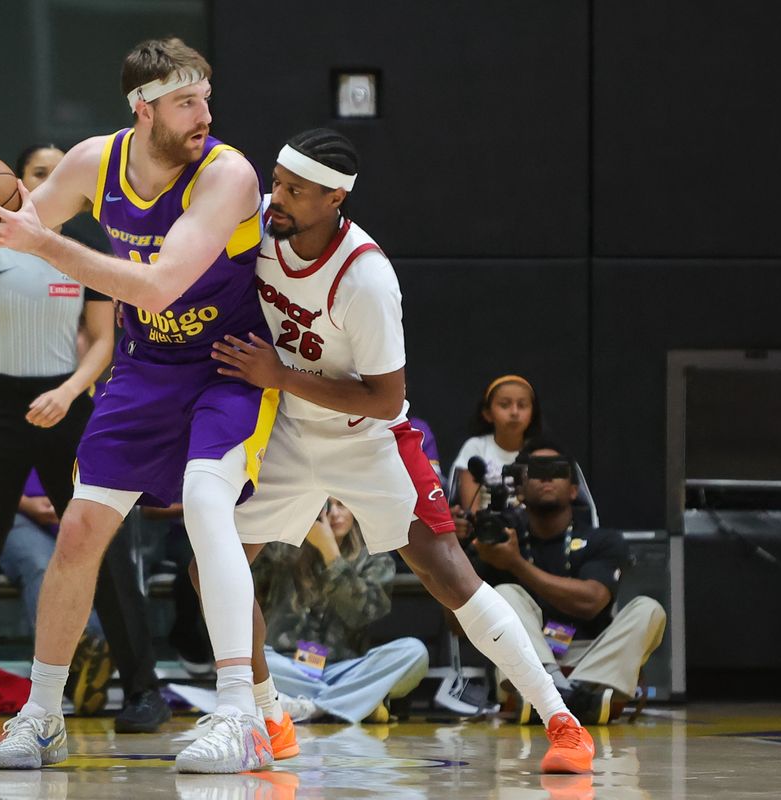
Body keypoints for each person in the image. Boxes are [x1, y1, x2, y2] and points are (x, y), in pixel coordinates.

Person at [208, 129, 595, 773]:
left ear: (334, 197)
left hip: (367, 440)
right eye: (275, 182)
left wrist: (277, 376)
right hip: (287, 433)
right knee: (211, 566)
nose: (275, 197)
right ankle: (270, 713)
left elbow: (386, 399)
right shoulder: (260, 237)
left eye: (293, 189)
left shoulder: (366, 277)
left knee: (449, 574)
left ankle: (561, 721)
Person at [0, 38, 277, 773]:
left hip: (227, 365)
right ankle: (42, 713)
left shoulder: (226, 173)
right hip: (144, 368)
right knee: (78, 532)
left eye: (206, 99)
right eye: (185, 103)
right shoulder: (93, 162)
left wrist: (44, 243)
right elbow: (17, 232)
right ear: (143, 108)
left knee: (205, 506)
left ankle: (240, 716)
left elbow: (159, 285)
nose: (204, 114)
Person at [0, 142, 168, 735]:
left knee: (102, 554)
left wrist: (72, 389)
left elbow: (104, 339)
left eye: (59, 175)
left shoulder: (85, 250)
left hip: (69, 409)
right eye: (37, 173)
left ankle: (143, 692)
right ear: (13, 181)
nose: (48, 183)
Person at [472, 439, 666, 725]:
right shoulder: (500, 541)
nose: (548, 476)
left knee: (650, 609)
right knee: (504, 593)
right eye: (537, 471)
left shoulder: (604, 540)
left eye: (557, 470)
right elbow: (458, 626)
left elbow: (591, 602)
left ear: (574, 489)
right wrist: (456, 551)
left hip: (591, 654)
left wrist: (516, 564)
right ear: (521, 490)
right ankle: (567, 694)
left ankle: (571, 692)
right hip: (532, 654)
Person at [252, 498, 428, 724]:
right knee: (251, 657)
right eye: (325, 506)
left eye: (342, 504)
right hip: (288, 666)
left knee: (414, 653)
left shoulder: (374, 557)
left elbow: (361, 613)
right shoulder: (281, 548)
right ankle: (358, 703)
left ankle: (310, 707)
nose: (334, 514)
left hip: (346, 670)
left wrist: (331, 554)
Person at [0, 469, 113, 716]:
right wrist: (25, 503)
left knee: (93, 571)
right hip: (12, 512)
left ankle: (79, 660)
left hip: (78, 505)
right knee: (40, 564)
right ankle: (83, 650)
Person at [451, 375, 543, 517]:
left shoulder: (542, 451)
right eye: (505, 405)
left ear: (532, 414)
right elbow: (471, 510)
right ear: (487, 413)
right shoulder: (475, 447)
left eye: (522, 405)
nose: (514, 412)